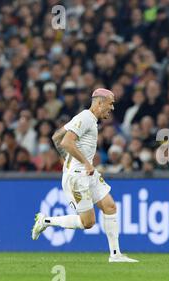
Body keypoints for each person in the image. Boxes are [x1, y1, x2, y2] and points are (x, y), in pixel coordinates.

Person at [31, 88, 138, 263]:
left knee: (110, 206)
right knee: (88, 223)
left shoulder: (88, 119)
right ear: (99, 102)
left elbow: (57, 136)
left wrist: (67, 159)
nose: (112, 108)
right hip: (78, 177)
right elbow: (66, 141)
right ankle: (45, 221)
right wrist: (83, 162)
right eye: (110, 103)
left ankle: (116, 255)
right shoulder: (86, 118)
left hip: (88, 173)